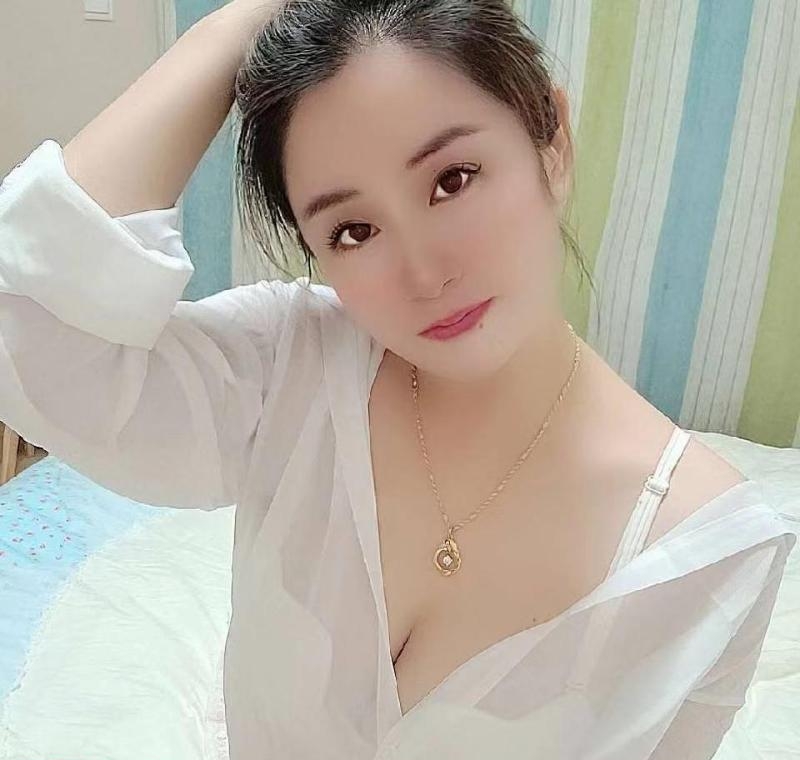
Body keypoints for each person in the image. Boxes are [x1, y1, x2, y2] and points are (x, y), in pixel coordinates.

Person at [0, 1, 796, 757]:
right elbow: (26, 324)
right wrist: (238, 23)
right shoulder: (291, 369)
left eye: (453, 179)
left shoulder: (710, 552)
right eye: (354, 230)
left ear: (550, 141)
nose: (425, 273)